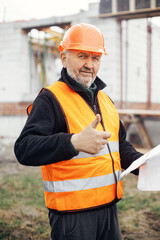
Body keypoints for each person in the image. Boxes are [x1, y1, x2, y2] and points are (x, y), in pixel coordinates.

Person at [14, 23, 143, 240]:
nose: (89, 65)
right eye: (82, 56)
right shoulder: (51, 98)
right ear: (64, 58)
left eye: (96, 58)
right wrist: (72, 142)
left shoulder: (104, 99)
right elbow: (24, 148)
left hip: (108, 210)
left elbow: (120, 145)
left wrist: (145, 164)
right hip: (73, 219)